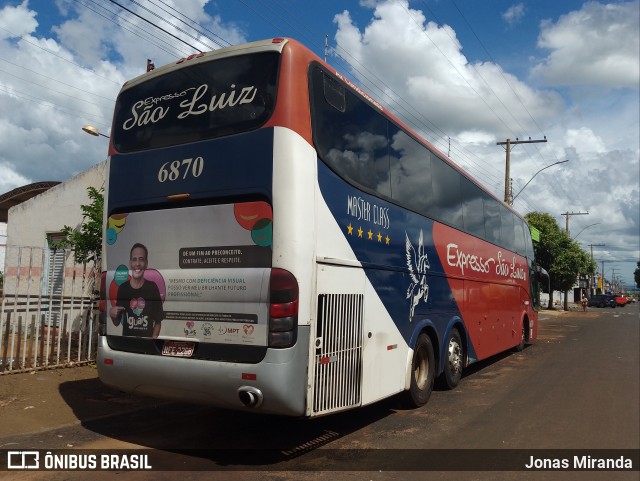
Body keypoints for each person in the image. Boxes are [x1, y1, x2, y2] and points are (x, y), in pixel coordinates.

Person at [109, 243, 164, 337]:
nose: (137, 264)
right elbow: (117, 322)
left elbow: (158, 322)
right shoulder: (123, 289)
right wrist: (112, 315)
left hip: (146, 348)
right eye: (134, 259)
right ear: (130, 263)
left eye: (141, 259)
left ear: (146, 263)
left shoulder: (152, 287)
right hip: (128, 345)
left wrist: (152, 342)